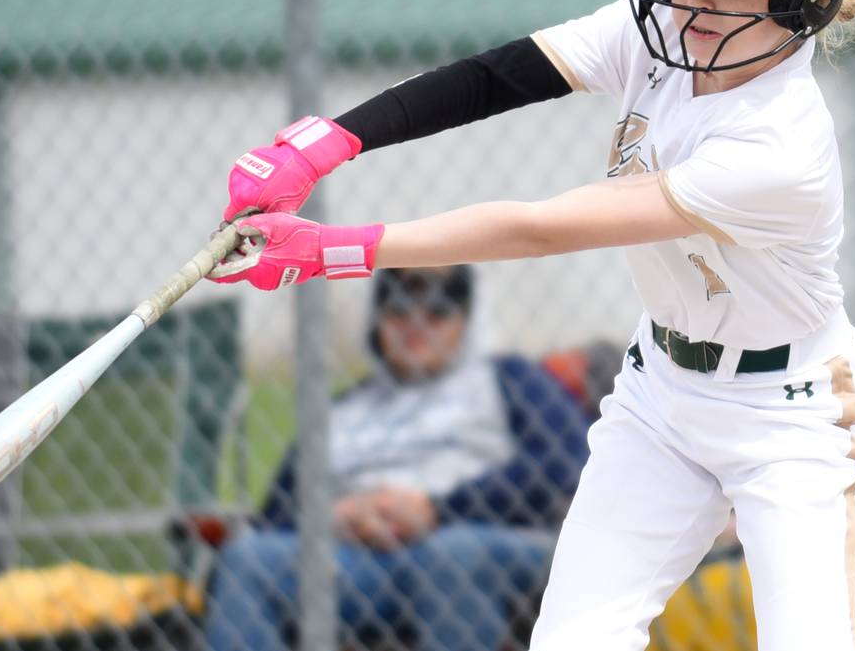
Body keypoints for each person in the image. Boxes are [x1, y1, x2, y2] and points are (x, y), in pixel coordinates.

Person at [208, 0, 855, 651]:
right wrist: (327, 141)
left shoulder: (780, 146)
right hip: (661, 395)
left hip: (791, 414)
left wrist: (331, 248)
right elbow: (493, 77)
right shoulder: (658, 36)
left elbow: (540, 228)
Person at [202, 265, 589, 651]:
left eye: (438, 311)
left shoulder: (508, 379)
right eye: (399, 309)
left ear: (468, 320)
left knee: (451, 554)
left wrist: (437, 509)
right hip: (354, 561)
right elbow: (275, 513)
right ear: (378, 320)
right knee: (247, 561)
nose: (416, 323)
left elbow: (567, 461)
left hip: (477, 542)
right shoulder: (346, 409)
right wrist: (337, 515)